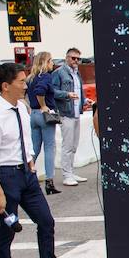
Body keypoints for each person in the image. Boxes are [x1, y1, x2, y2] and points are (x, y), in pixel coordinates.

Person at [0, 62, 80, 258]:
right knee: (7, 231)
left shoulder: (22, 108)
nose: (25, 86)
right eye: (21, 82)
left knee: (46, 221)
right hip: (6, 176)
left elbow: (24, 138)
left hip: (26, 173)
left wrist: (32, 161)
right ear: (6, 86)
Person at [50, 48, 87, 187]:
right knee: (67, 144)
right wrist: (67, 95)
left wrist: (84, 101)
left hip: (76, 111)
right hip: (66, 112)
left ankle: (71, 171)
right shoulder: (59, 73)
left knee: (74, 145)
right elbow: (52, 91)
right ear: (66, 58)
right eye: (73, 58)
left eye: (78, 58)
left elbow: (79, 91)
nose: (76, 61)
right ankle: (67, 174)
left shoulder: (76, 74)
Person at [25, 51, 61, 195]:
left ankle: (27, 175)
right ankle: (49, 181)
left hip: (33, 114)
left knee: (34, 147)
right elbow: (41, 91)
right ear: (46, 62)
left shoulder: (30, 78)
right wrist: (43, 105)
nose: (52, 63)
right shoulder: (45, 76)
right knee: (49, 148)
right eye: (51, 61)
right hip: (44, 113)